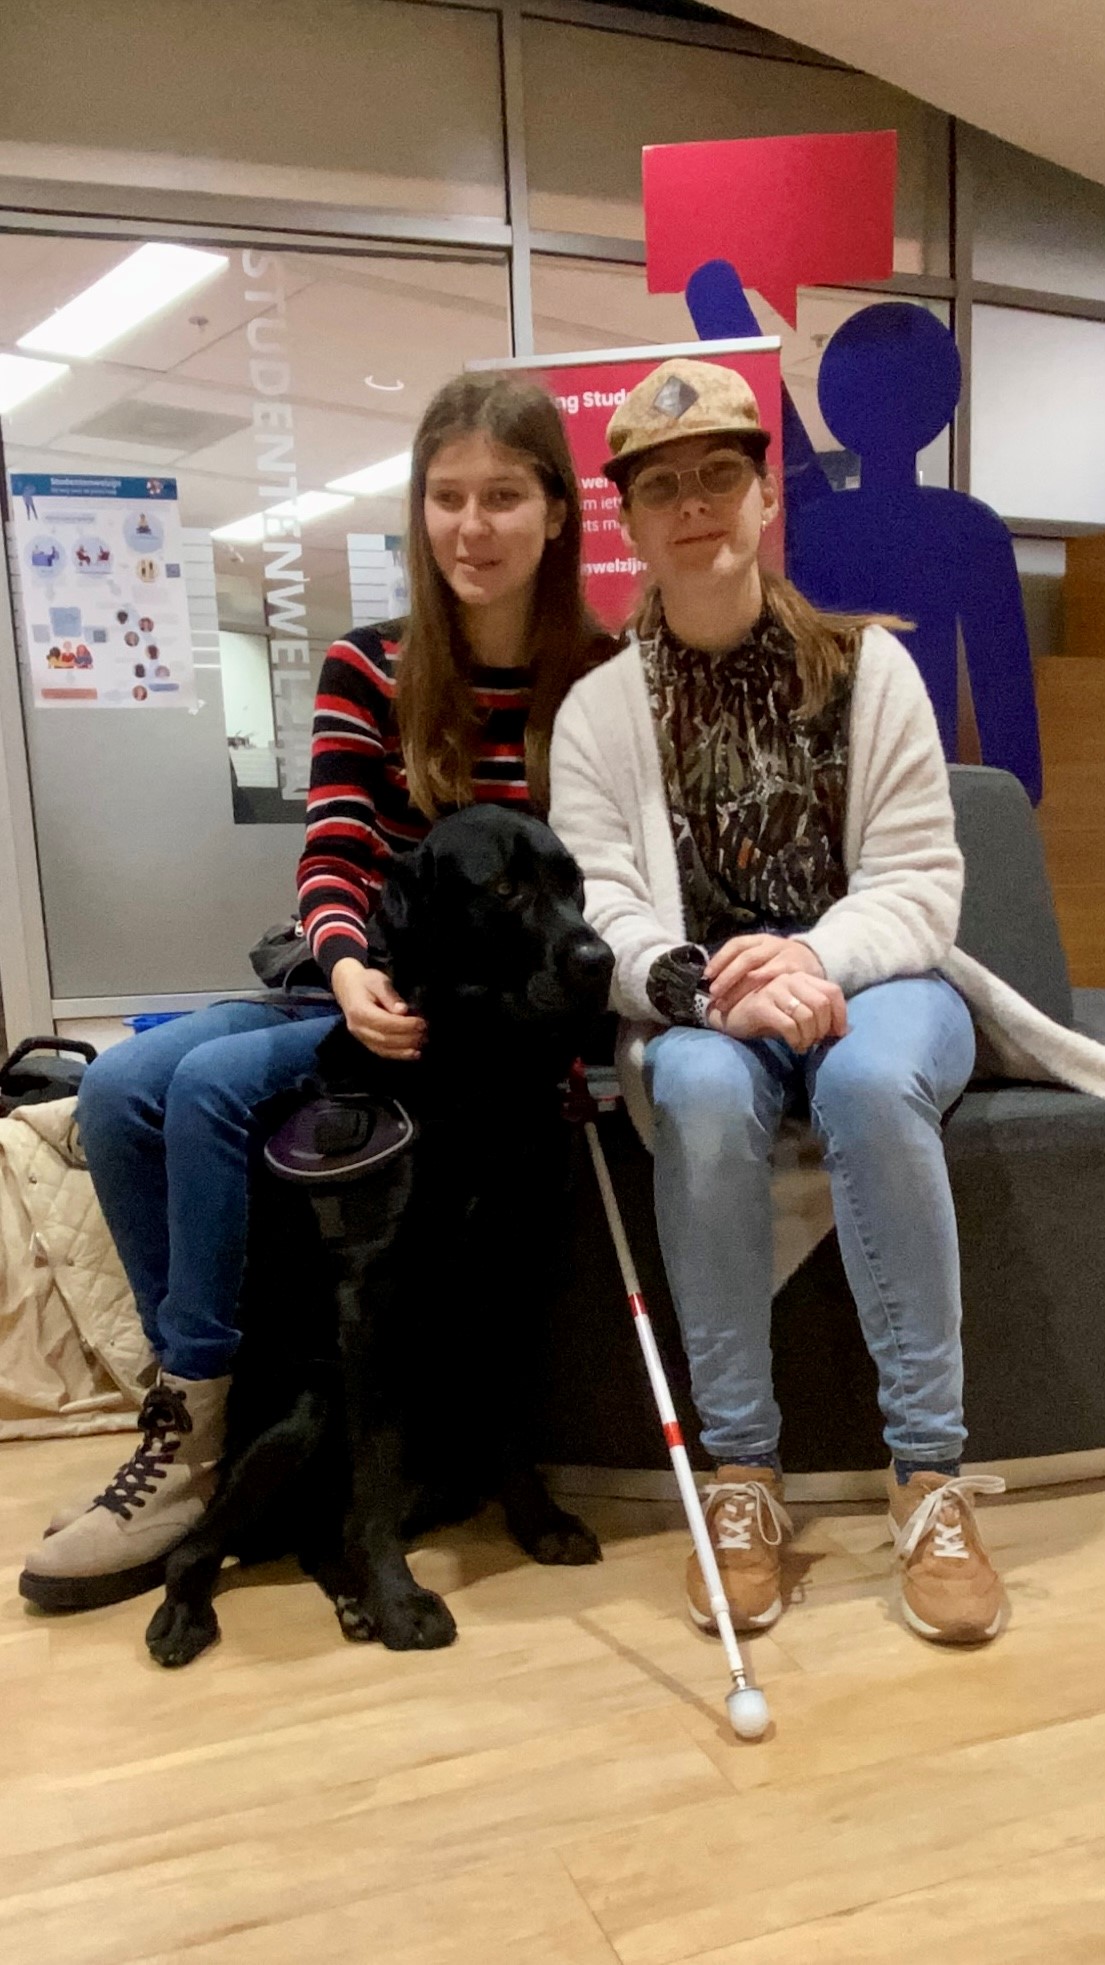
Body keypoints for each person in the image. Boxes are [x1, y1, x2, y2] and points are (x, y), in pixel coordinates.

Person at [22, 373, 609, 1613]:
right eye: (445, 498)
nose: (471, 526)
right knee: (126, 1080)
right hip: (357, 985)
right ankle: (192, 1418)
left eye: (503, 496)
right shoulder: (368, 663)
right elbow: (336, 852)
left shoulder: (600, 681)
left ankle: (198, 1445)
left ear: (556, 511)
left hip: (491, 1043)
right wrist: (344, 968)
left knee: (213, 1087)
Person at [549, 356, 1011, 1648]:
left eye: (717, 477)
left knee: (866, 1080)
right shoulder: (594, 713)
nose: (691, 504)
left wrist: (808, 961)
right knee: (694, 1086)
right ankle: (740, 1473)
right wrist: (706, 982)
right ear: (630, 524)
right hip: (702, 1013)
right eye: (659, 487)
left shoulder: (872, 672)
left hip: (884, 983)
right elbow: (600, 906)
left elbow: (923, 883)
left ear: (763, 502)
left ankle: (928, 1475)